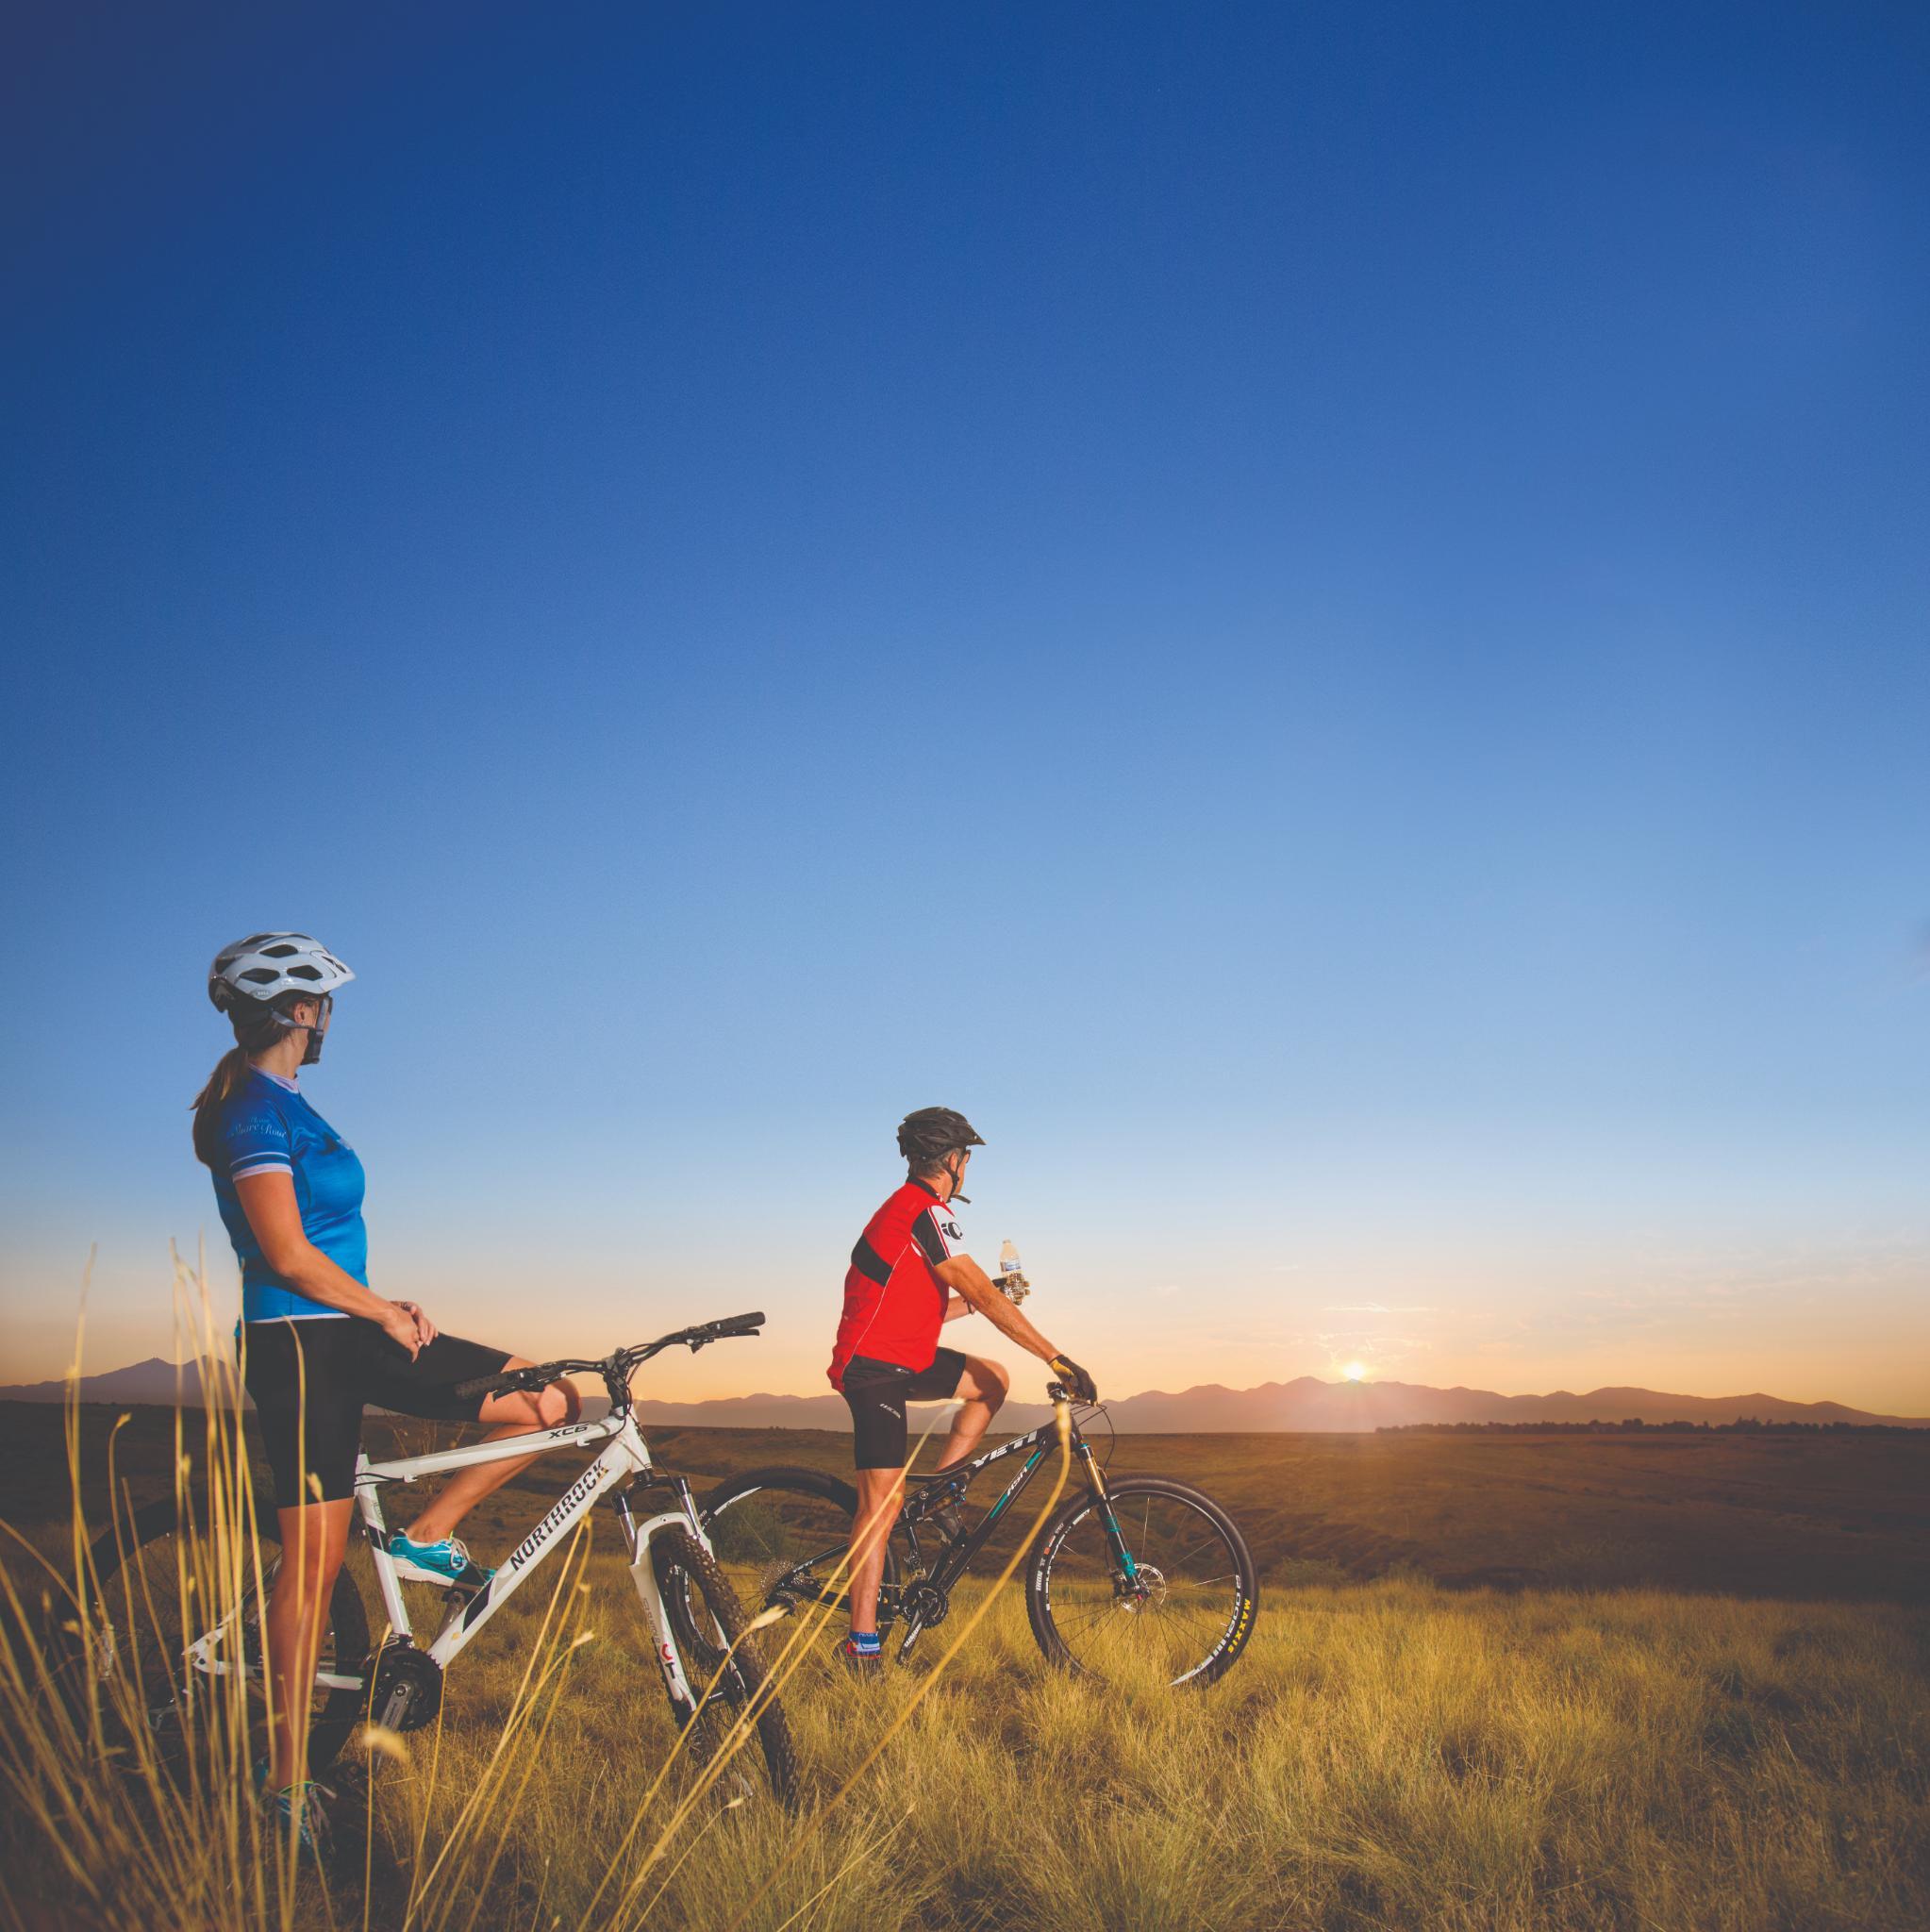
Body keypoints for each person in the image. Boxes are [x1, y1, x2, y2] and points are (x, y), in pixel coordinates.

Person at [191, 933, 578, 1849]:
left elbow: (321, 1243)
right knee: (312, 1564)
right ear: (295, 1008)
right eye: (321, 1001)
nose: (328, 1016)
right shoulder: (249, 1109)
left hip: (350, 1331)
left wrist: (380, 1306)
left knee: (545, 1399)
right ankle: (284, 1780)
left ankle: (425, 1537)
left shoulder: (291, 1102)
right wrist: (379, 1310)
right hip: (296, 1348)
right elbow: (285, 1254)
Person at [825, 1107, 1096, 1674]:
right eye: (966, 1156)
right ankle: (861, 1643)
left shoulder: (914, 1216)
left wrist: (982, 1298)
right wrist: (1056, 1357)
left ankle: (946, 1491)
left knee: (992, 1380)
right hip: (873, 1368)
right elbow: (981, 1294)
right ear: (952, 1160)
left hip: (905, 1356)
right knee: (883, 1504)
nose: (968, 1165)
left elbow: (922, 1309)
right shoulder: (923, 1210)